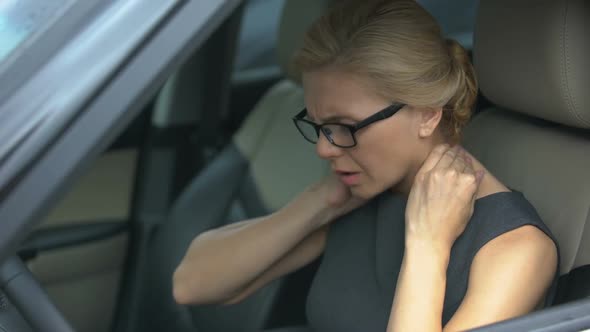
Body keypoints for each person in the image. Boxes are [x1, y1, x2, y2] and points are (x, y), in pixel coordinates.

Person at [172, 0, 559, 331]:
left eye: (343, 127)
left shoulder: (516, 249)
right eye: (319, 127)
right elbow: (191, 285)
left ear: (426, 115)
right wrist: (321, 201)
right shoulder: (365, 192)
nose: (324, 150)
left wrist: (427, 245)